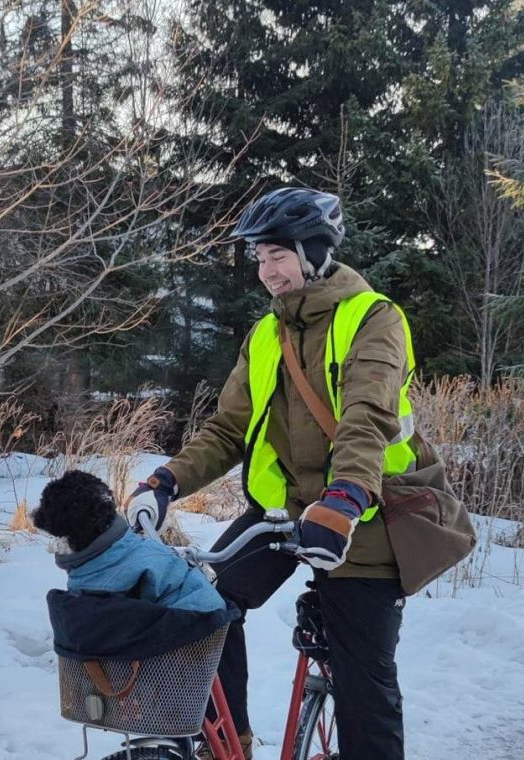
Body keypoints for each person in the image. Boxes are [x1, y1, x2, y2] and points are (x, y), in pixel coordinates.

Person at [128, 187, 415, 760]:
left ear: (314, 251)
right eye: (259, 258)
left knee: (365, 681)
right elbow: (228, 429)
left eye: (277, 256)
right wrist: (165, 484)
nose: (266, 271)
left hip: (363, 517)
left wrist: (345, 499)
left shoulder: (374, 318)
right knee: (203, 609)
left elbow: (367, 419)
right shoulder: (265, 335)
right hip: (281, 518)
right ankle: (227, 745)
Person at [32, 470, 225, 613]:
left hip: (187, 630)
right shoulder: (115, 552)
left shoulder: (109, 570)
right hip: (197, 624)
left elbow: (119, 623)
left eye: (45, 508)